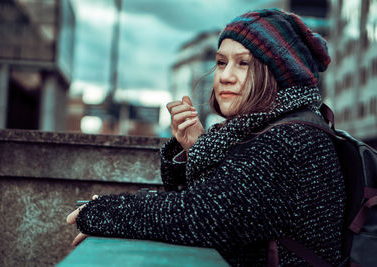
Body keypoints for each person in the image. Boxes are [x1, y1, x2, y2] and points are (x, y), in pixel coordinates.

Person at [67, 8, 345, 266]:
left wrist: (102, 211)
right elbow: (216, 205)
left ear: (279, 73)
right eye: (221, 62)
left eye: (243, 64)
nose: (224, 76)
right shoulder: (270, 130)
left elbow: (200, 216)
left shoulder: (289, 139)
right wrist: (196, 148)